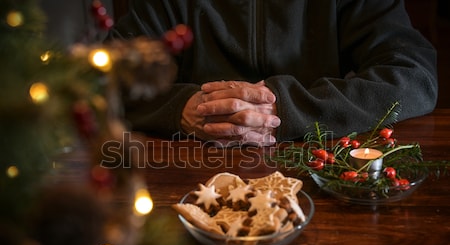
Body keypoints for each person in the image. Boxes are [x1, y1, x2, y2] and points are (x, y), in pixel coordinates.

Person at [108, 0, 438, 146]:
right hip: (190, 167)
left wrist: (284, 110)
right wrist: (180, 108)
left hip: (320, 167)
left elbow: (413, 74)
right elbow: (100, 76)